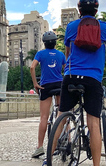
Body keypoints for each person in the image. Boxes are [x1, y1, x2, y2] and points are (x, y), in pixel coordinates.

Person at [59, 0, 106, 166]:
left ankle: (48, 159)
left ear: (79, 10)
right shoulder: (104, 28)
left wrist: (68, 67)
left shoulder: (71, 26)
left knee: (61, 117)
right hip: (92, 79)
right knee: (94, 122)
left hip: (70, 76)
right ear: (97, 10)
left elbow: (67, 52)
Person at [30, 31, 66, 159]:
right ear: (55, 42)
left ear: (44, 43)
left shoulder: (40, 54)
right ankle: (67, 139)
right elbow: (66, 69)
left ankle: (40, 147)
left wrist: (35, 83)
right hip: (60, 85)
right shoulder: (61, 54)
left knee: (44, 117)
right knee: (63, 114)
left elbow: (32, 67)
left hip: (45, 86)